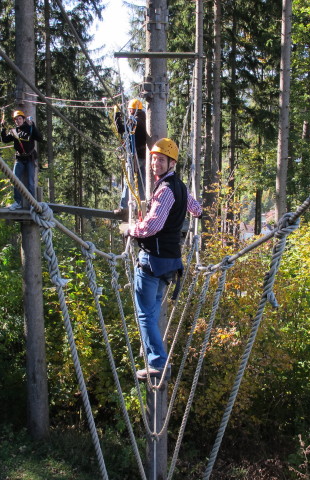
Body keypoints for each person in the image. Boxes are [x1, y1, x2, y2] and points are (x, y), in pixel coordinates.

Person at [121, 138, 202, 381]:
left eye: (161, 159)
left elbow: (152, 226)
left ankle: (157, 362)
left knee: (144, 315)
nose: (155, 163)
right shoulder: (180, 187)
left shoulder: (165, 190)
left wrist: (130, 229)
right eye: (154, 158)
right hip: (170, 264)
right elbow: (196, 210)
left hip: (152, 261)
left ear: (171, 163)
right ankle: (154, 355)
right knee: (152, 312)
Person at [0, 110, 43, 210]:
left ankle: (33, 203)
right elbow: (5, 140)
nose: (18, 121)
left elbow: (39, 138)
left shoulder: (29, 129)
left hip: (30, 158)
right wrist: (3, 129)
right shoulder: (14, 131)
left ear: (23, 119)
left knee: (30, 182)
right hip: (19, 159)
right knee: (15, 180)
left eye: (19, 119)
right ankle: (17, 202)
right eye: (16, 119)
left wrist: (33, 126)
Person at [114, 98, 147, 217]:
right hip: (142, 156)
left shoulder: (135, 121)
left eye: (129, 110)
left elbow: (120, 129)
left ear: (133, 110)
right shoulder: (144, 119)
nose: (128, 112)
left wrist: (116, 114)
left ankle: (124, 208)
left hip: (135, 156)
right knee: (142, 182)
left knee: (129, 181)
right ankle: (142, 207)